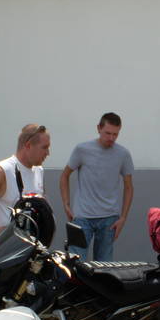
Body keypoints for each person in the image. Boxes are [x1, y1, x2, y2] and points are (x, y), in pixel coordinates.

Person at [59, 112, 134, 261]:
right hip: (82, 217)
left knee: (104, 267)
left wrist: (123, 217)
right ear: (98, 128)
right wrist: (66, 204)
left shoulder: (123, 154)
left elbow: (129, 187)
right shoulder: (82, 149)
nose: (111, 138)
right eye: (107, 133)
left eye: (115, 134)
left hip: (109, 219)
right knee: (76, 263)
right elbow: (64, 176)